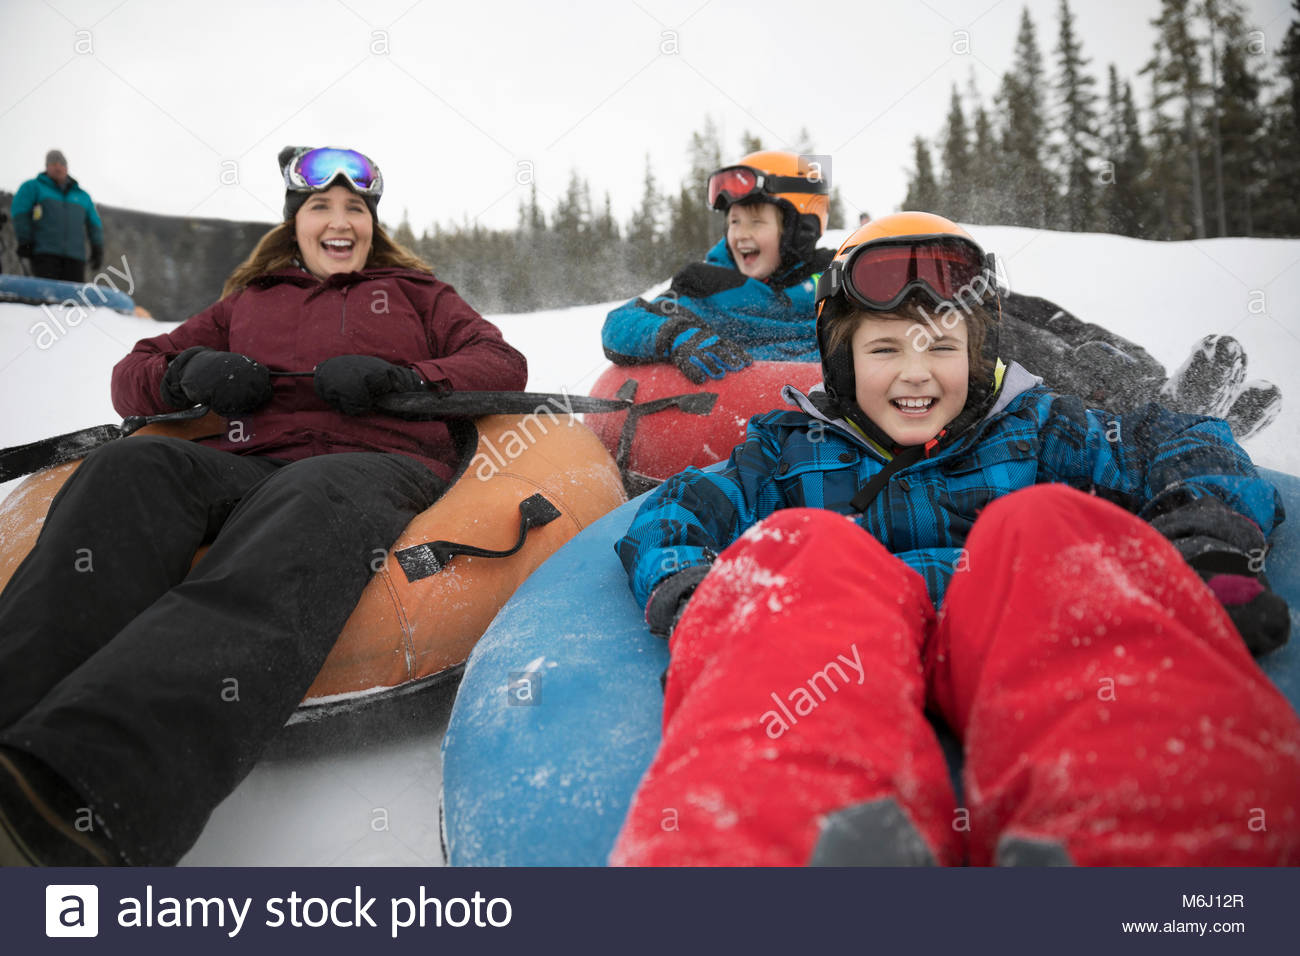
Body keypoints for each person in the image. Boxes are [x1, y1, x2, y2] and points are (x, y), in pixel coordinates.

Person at [609, 212, 1300, 867]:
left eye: (941, 346)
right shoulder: (790, 450)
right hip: (842, 650)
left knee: (1045, 525)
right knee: (801, 545)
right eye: (884, 348)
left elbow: (1178, 443)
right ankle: (786, 849)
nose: (916, 373)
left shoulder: (1035, 426)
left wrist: (1204, 543)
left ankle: (1145, 838)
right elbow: (676, 511)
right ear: (841, 360)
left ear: (979, 352)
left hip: (1018, 620)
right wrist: (704, 599)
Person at [0, 146, 528, 866]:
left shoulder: (416, 294)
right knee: (131, 466)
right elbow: (133, 376)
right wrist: (191, 370)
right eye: (321, 207)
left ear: (372, 225)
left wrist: (402, 376)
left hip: (372, 465)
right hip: (244, 461)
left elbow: (499, 362)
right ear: (294, 223)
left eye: (355, 209)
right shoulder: (249, 300)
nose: (339, 221)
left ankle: (77, 795)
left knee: (306, 501)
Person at [601, 150, 834, 382]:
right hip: (735, 412)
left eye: (756, 222)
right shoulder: (709, 288)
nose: (741, 235)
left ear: (800, 230)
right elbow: (621, 323)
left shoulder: (836, 280)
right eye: (734, 222)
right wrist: (676, 335)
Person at [11, 149, 104, 282]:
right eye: (53, 163)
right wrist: (25, 241)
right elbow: (20, 212)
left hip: (75, 258)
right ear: (47, 167)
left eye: (61, 164)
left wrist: (97, 247)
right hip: (44, 255)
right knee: (45, 296)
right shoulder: (33, 187)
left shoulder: (82, 196)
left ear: (66, 168)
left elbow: (94, 224)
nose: (58, 167)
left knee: (73, 299)